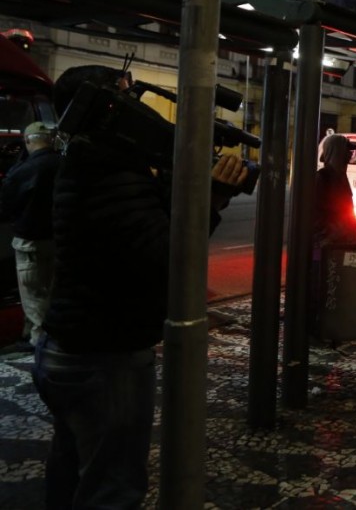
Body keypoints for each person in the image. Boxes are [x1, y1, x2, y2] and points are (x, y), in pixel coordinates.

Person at [33, 64, 246, 508]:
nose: (138, 110)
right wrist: (212, 198)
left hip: (72, 346)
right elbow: (167, 255)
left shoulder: (89, 159)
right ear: (103, 108)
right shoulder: (105, 169)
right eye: (127, 99)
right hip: (104, 356)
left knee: (72, 468)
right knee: (112, 487)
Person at [0, 121, 61, 345]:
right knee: (50, 295)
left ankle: (41, 348)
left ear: (27, 141)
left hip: (29, 245)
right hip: (57, 242)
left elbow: (6, 207)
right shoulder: (64, 165)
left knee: (34, 300)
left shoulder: (20, 171)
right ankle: (31, 336)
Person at [314, 133, 355, 244]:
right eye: (348, 150)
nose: (351, 154)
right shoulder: (323, 177)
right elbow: (316, 212)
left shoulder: (341, 176)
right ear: (338, 151)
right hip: (327, 241)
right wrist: (331, 231)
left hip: (341, 238)